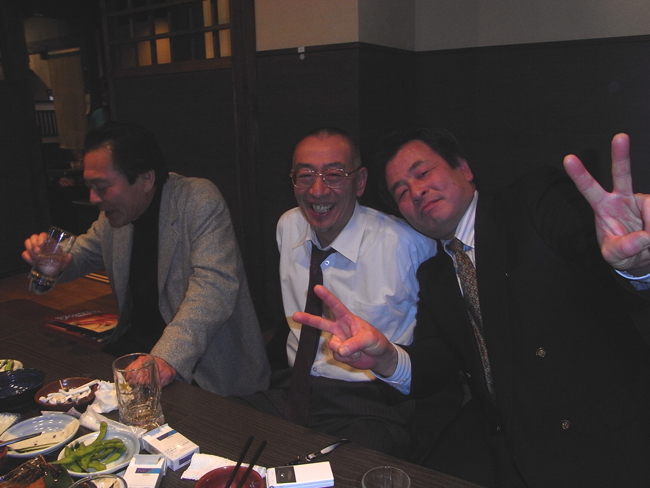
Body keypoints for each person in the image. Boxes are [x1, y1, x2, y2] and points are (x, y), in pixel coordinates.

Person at [292, 128, 650, 487]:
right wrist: (385, 357)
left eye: (423, 173)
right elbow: (438, 361)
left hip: (608, 434)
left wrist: (635, 265)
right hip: (511, 440)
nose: (416, 191)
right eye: (401, 191)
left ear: (463, 168)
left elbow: (592, 251)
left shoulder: (530, 203)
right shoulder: (436, 275)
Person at [23, 123, 271, 397]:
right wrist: (57, 260)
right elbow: (85, 251)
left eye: (102, 187)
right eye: (89, 186)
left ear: (146, 179)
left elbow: (213, 288)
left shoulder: (197, 200)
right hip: (137, 347)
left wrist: (167, 357)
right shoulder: (116, 213)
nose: (93, 198)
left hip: (205, 361)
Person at [235, 127, 439, 458]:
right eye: (305, 176)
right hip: (293, 389)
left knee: (344, 472)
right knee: (212, 429)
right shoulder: (288, 226)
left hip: (370, 402)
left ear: (360, 182)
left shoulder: (407, 244)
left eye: (334, 175)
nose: (317, 190)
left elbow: (440, 345)